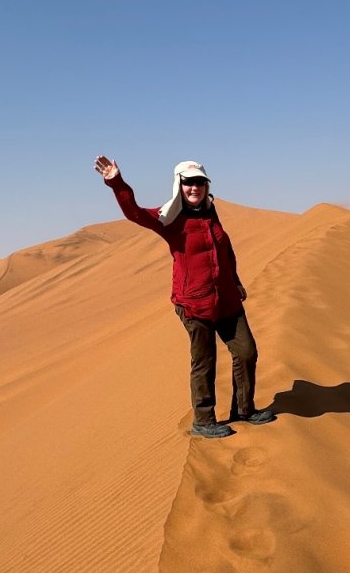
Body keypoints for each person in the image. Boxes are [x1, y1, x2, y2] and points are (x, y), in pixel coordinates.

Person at [95, 155, 276, 438]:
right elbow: (135, 213)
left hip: (227, 299)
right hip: (195, 303)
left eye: (200, 182)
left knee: (246, 351)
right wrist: (116, 182)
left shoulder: (209, 212)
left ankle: (245, 409)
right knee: (204, 362)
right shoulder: (170, 219)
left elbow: (225, 251)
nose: (195, 188)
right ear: (179, 185)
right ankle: (204, 420)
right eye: (189, 182)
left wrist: (236, 281)